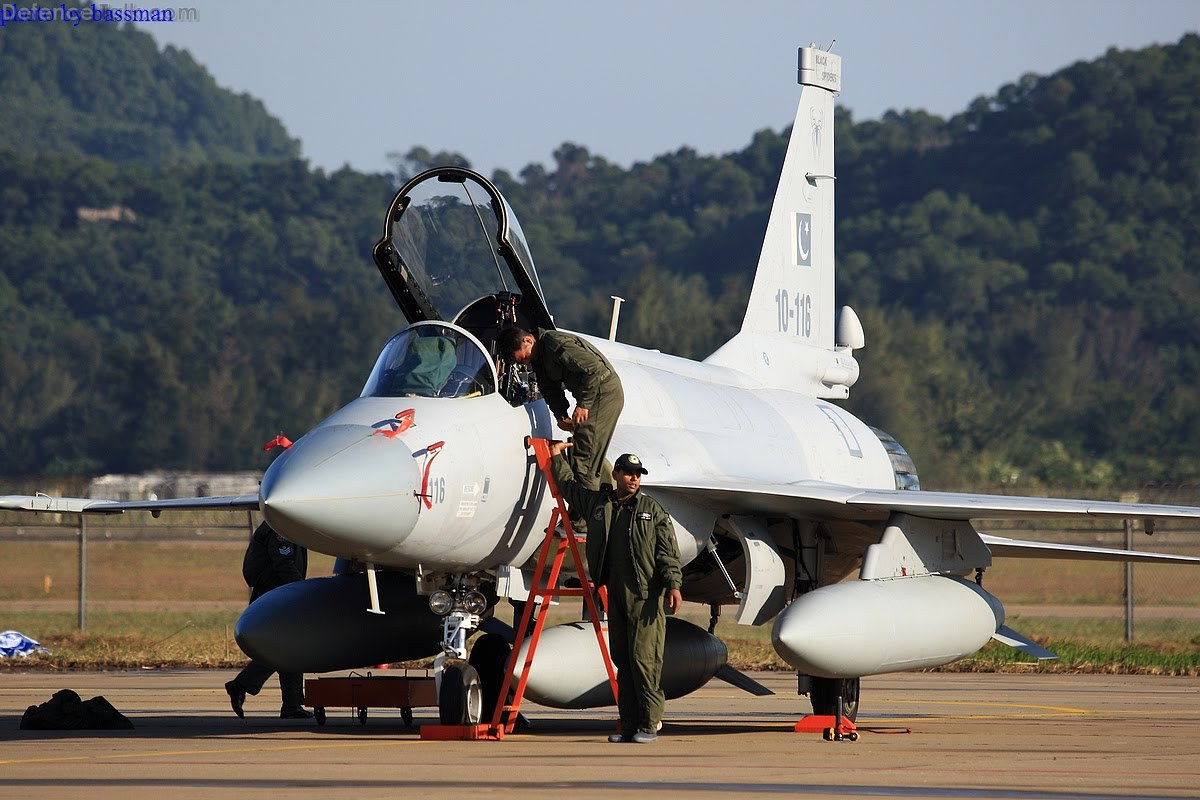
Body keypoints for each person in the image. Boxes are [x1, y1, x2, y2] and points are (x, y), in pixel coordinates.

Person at [548, 441, 682, 743]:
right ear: (617, 474)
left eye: (638, 474)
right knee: (622, 659)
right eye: (629, 473)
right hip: (615, 592)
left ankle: (649, 724)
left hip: (646, 595)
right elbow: (570, 488)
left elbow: (667, 553)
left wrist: (673, 584)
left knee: (645, 660)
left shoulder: (651, 510)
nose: (634, 478)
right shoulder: (600, 504)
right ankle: (630, 725)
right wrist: (556, 458)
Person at [499, 326, 624, 491]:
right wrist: (561, 416)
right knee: (579, 454)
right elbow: (549, 389)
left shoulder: (554, 343)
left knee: (584, 463)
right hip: (593, 395)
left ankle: (587, 513)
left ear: (528, 340)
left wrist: (583, 405)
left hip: (603, 392)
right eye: (523, 361)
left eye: (526, 357)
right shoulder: (538, 359)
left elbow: (592, 369)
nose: (527, 363)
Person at [225, 521, 313, 720]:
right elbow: (283, 563)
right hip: (276, 594)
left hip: (279, 593)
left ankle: (292, 704)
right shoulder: (280, 528)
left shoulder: (286, 525)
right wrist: (304, 591)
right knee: (285, 648)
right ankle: (242, 685)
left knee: (292, 647)